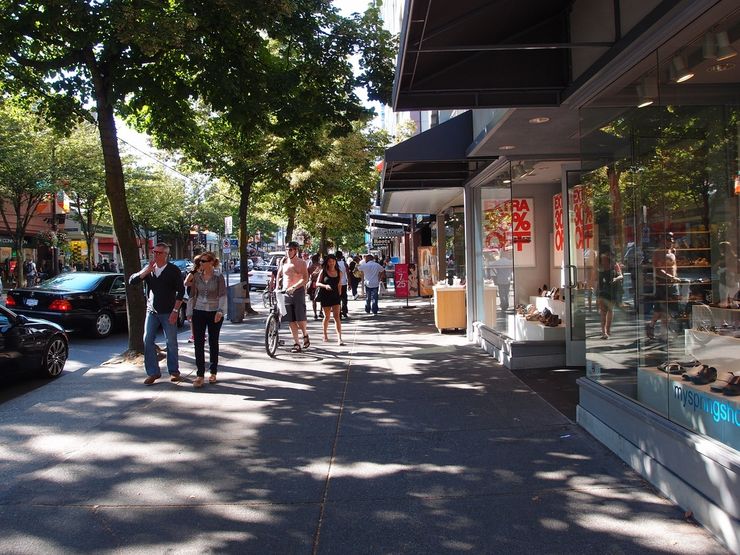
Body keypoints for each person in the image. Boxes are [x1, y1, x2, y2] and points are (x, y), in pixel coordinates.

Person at [129, 242, 185, 385]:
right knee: (147, 340)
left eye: (159, 253)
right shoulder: (150, 269)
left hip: (168, 311)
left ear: (166, 255)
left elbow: (181, 291)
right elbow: (132, 281)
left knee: (171, 342)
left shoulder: (173, 270)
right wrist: (145, 272)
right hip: (152, 311)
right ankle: (153, 372)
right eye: (154, 252)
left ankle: (174, 371)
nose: (155, 254)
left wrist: (175, 311)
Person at [186, 252, 227, 388]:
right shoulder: (197, 277)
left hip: (214, 312)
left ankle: (213, 371)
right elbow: (191, 293)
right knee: (198, 343)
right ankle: (200, 375)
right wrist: (189, 311)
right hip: (199, 311)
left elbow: (222, 295)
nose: (201, 264)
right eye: (200, 262)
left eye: (203, 261)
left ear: (211, 262)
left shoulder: (218, 277)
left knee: (213, 342)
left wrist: (220, 311)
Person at [646, 232, 680, 339]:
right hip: (662, 283)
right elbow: (658, 269)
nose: (671, 242)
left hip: (672, 284)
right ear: (662, 241)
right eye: (668, 240)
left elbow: (674, 267)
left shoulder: (672, 252)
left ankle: (663, 331)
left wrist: (675, 278)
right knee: (660, 309)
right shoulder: (658, 253)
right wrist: (670, 277)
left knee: (670, 308)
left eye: (672, 240)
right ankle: (652, 326)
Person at [277, 241, 310, 352]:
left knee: (300, 319)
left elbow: (305, 279)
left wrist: (294, 287)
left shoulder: (301, 263)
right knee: (291, 320)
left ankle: (305, 334)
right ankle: (296, 343)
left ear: (296, 250)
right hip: (286, 292)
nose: (288, 251)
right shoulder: (284, 261)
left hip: (298, 292)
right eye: (287, 249)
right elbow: (279, 275)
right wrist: (277, 286)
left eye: (290, 249)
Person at [316, 253, 345, 345]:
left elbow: (339, 284)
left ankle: (339, 338)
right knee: (327, 317)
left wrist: (340, 295)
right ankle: (324, 334)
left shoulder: (339, 272)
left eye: (333, 261)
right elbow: (317, 283)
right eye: (329, 261)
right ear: (327, 262)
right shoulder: (323, 271)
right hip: (325, 296)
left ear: (335, 262)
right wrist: (325, 286)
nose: (331, 263)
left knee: (337, 317)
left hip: (336, 296)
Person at [597, 250, 623, 339]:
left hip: (612, 291)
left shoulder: (615, 266)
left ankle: (608, 329)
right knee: (603, 312)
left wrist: (616, 279)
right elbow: (597, 280)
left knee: (610, 311)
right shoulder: (600, 267)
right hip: (603, 292)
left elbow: (621, 276)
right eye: (602, 259)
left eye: (604, 259)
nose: (603, 261)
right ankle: (604, 332)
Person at [184, 254, 203, 343]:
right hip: (193, 296)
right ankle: (194, 335)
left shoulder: (204, 272)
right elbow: (186, 283)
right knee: (191, 316)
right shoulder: (193, 273)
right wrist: (195, 284)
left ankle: (199, 334)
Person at [307, 253, 322, 320]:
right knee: (322, 298)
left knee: (313, 300)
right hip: (320, 283)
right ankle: (321, 311)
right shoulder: (321, 266)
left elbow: (307, 277)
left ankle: (315, 313)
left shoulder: (310, 267)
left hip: (313, 284)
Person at [336, 250, 349, 319]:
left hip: (335, 284)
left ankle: (338, 312)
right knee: (344, 298)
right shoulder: (344, 264)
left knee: (337, 298)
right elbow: (348, 273)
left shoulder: (333, 264)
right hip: (343, 283)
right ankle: (344, 311)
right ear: (341, 256)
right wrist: (349, 282)